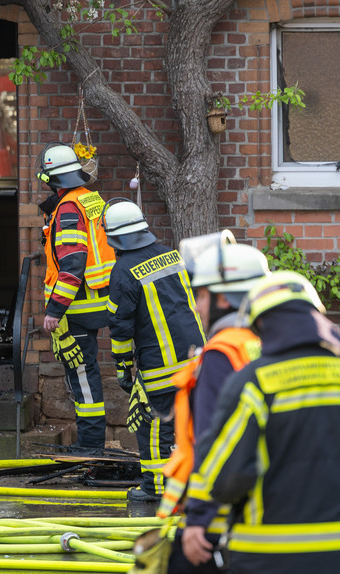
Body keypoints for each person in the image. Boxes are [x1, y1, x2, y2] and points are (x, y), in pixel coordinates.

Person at [182, 270, 340, 574]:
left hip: (267, 558)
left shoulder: (254, 384)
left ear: (261, 324)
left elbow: (222, 476)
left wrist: (201, 518)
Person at [158, 231, 271, 573]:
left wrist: (199, 518)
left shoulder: (222, 353)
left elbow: (211, 440)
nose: (197, 306)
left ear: (224, 298)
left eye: (202, 295)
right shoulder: (263, 344)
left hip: (219, 515)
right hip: (260, 507)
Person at [102, 200, 206, 503]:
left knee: (154, 421)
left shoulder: (123, 271)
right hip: (198, 357)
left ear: (114, 238)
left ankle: (156, 487)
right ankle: (194, 481)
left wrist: (123, 367)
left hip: (162, 365)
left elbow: (120, 326)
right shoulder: (172, 255)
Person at [38, 143, 116, 456]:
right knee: (85, 372)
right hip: (96, 299)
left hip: (78, 306)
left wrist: (55, 310)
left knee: (83, 374)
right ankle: (90, 442)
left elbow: (72, 265)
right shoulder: (90, 199)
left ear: (52, 180)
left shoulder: (68, 209)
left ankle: (90, 445)